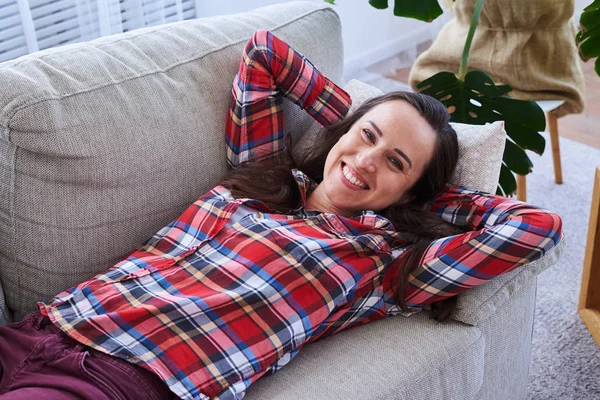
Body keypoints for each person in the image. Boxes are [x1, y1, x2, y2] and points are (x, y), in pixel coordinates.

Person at [0, 30, 562, 400]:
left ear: (413, 192)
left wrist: (425, 191)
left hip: (124, 376)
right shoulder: (264, 173)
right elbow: (266, 55)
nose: (365, 162)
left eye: (395, 163)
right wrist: (367, 128)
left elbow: (537, 229)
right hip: (44, 327)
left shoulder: (383, 266)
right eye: (365, 137)